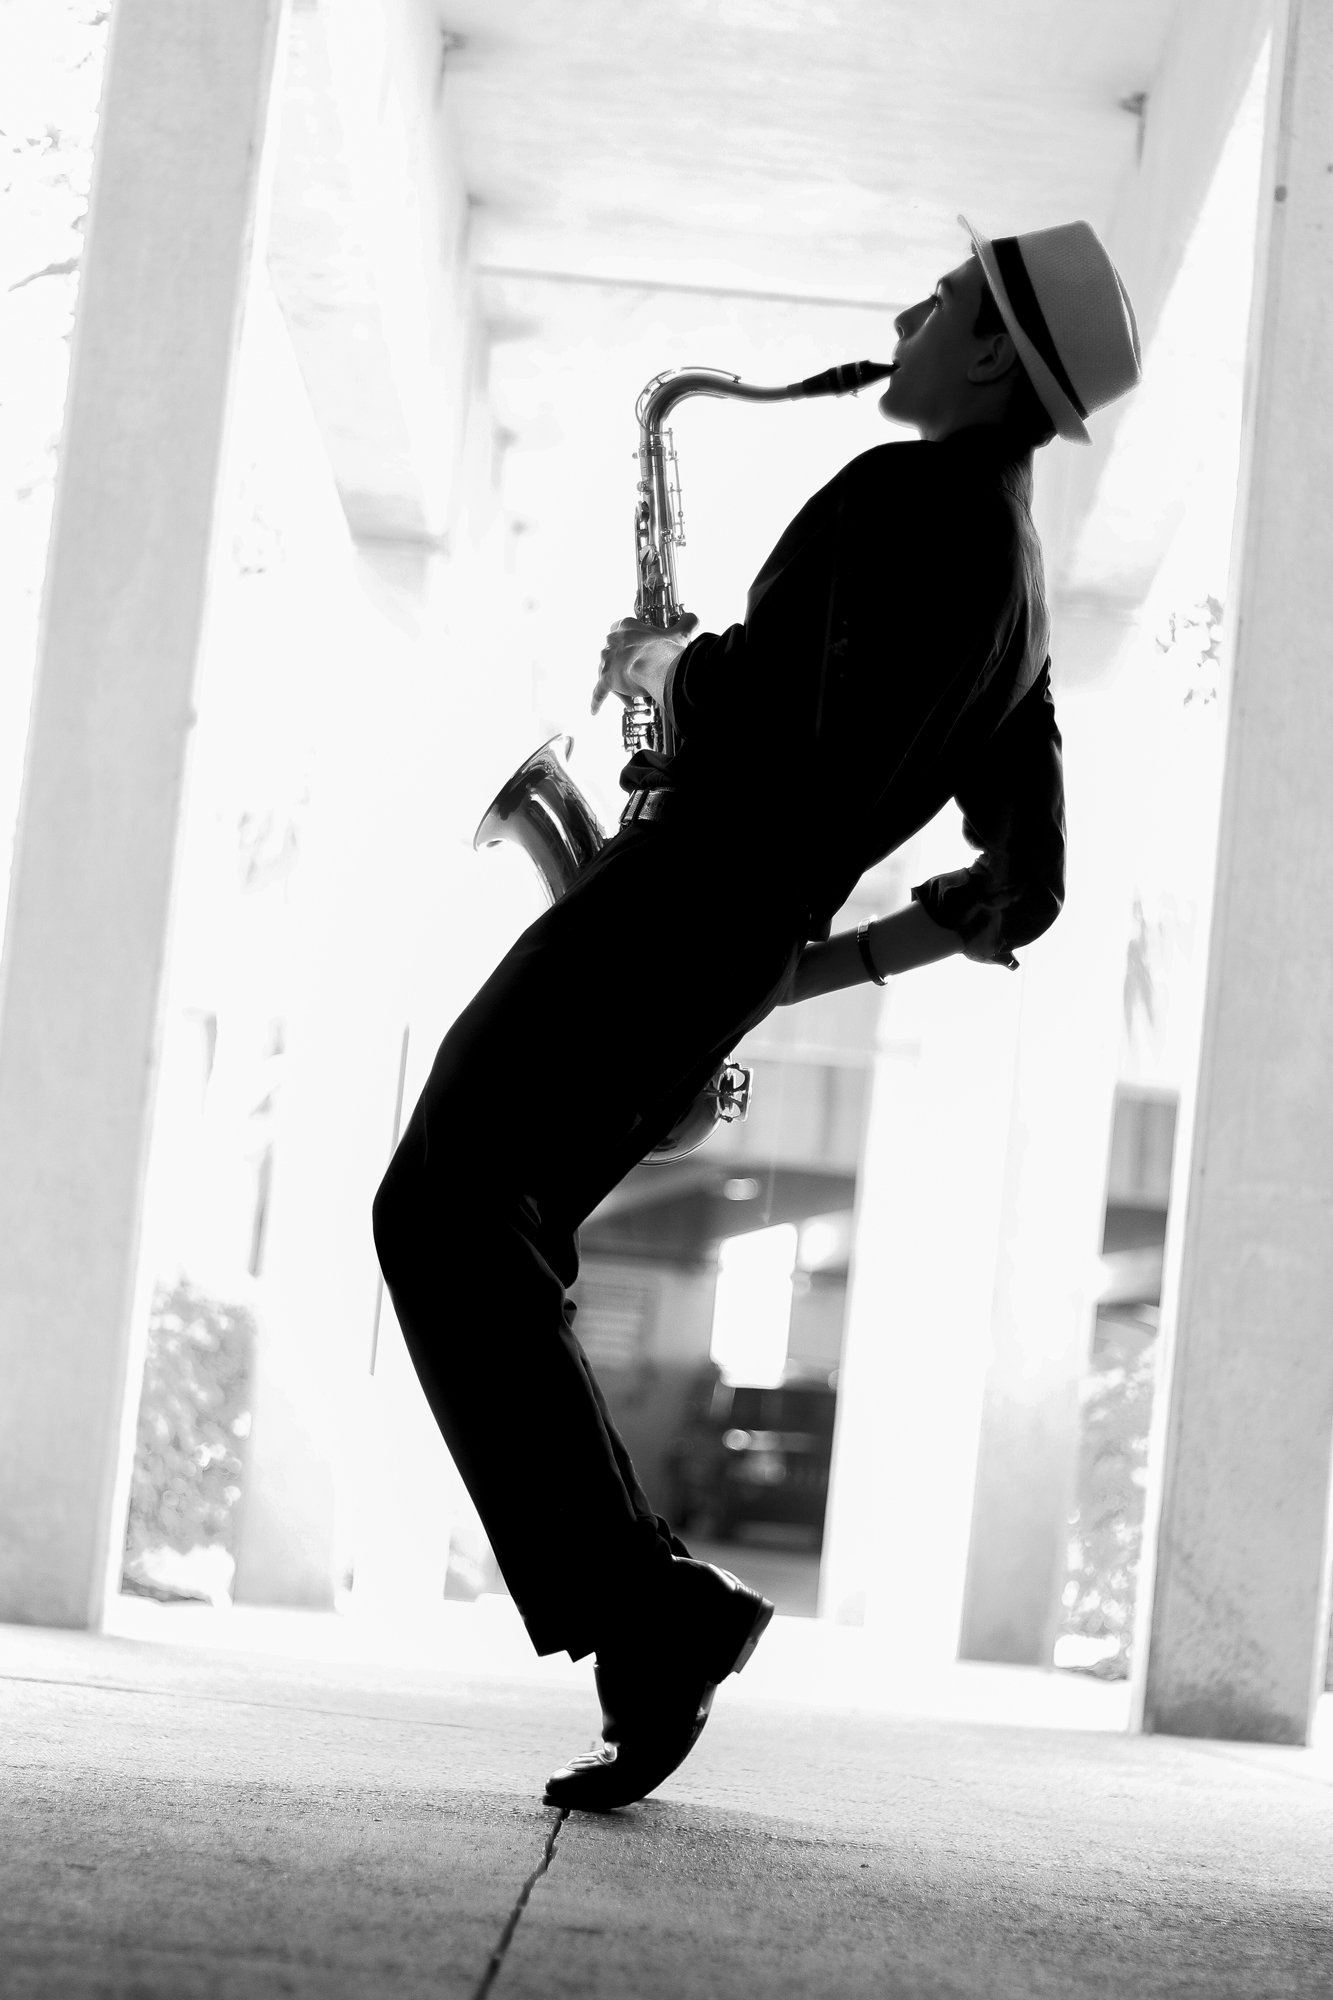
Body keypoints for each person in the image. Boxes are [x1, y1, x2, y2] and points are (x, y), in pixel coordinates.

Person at [372, 217, 1141, 1813]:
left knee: (445, 1203)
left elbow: (789, 724)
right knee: (482, 1216)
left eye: (941, 300)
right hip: (720, 933)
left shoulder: (905, 494)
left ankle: (649, 1610)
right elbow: (1025, 887)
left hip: (676, 900)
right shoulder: (1020, 605)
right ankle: (645, 1610)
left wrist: (670, 664)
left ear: (990, 351)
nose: (905, 317)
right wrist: (804, 967)